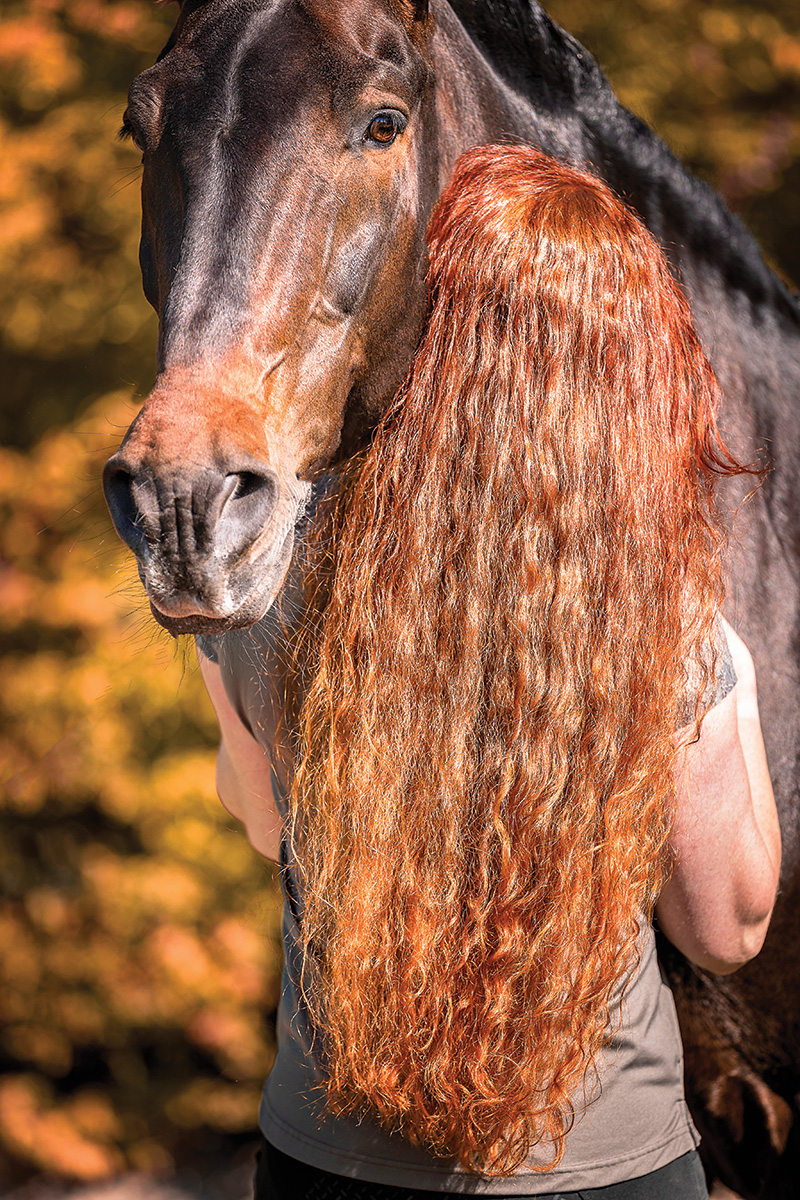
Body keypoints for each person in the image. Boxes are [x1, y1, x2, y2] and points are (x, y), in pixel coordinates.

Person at [196, 145, 781, 1199]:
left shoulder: (266, 581)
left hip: (331, 1165)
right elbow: (727, 926)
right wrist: (720, 676)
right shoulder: (666, 625)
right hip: (605, 1172)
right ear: (623, 372)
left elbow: (266, 826)